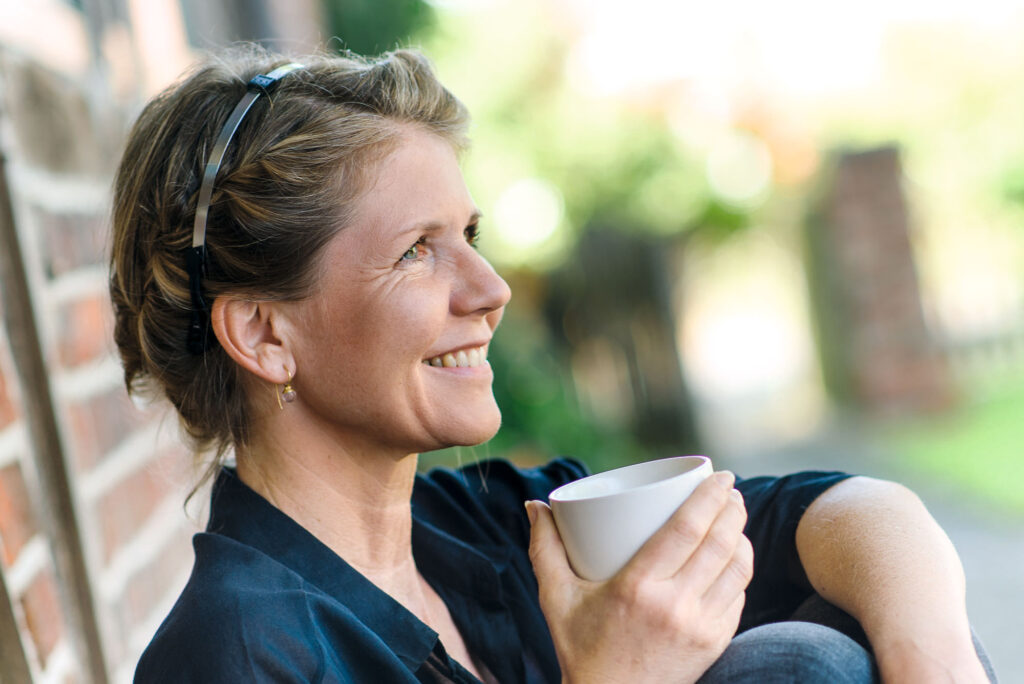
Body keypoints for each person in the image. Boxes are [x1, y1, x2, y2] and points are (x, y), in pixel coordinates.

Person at [110, 45, 995, 683]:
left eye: (471, 236)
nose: (490, 288)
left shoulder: (496, 528)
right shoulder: (233, 655)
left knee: (844, 632)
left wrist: (936, 662)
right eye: (419, 251)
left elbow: (847, 508)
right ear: (265, 334)